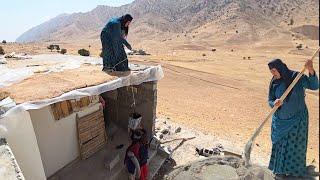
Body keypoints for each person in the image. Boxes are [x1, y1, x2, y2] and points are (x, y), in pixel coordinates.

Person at [267, 59, 319, 178]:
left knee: (295, 146)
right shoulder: (274, 82)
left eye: (274, 70)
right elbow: (270, 99)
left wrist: (310, 69)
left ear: (281, 68)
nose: (273, 74)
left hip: (298, 119)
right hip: (280, 121)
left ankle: (294, 171)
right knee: (280, 145)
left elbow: (314, 86)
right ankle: (279, 170)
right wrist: (274, 103)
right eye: (271, 71)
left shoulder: (297, 77)